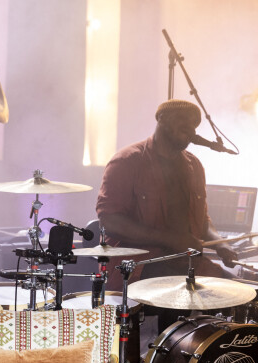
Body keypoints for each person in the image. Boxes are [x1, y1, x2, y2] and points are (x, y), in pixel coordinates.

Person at [96, 99, 236, 331]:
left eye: (194, 126)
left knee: (235, 293)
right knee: (174, 295)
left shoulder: (194, 166)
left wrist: (220, 244)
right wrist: (171, 239)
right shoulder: (128, 161)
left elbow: (203, 222)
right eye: (183, 122)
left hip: (187, 263)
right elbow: (109, 220)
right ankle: (159, 359)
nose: (190, 130)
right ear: (161, 120)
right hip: (140, 265)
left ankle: (206, 359)